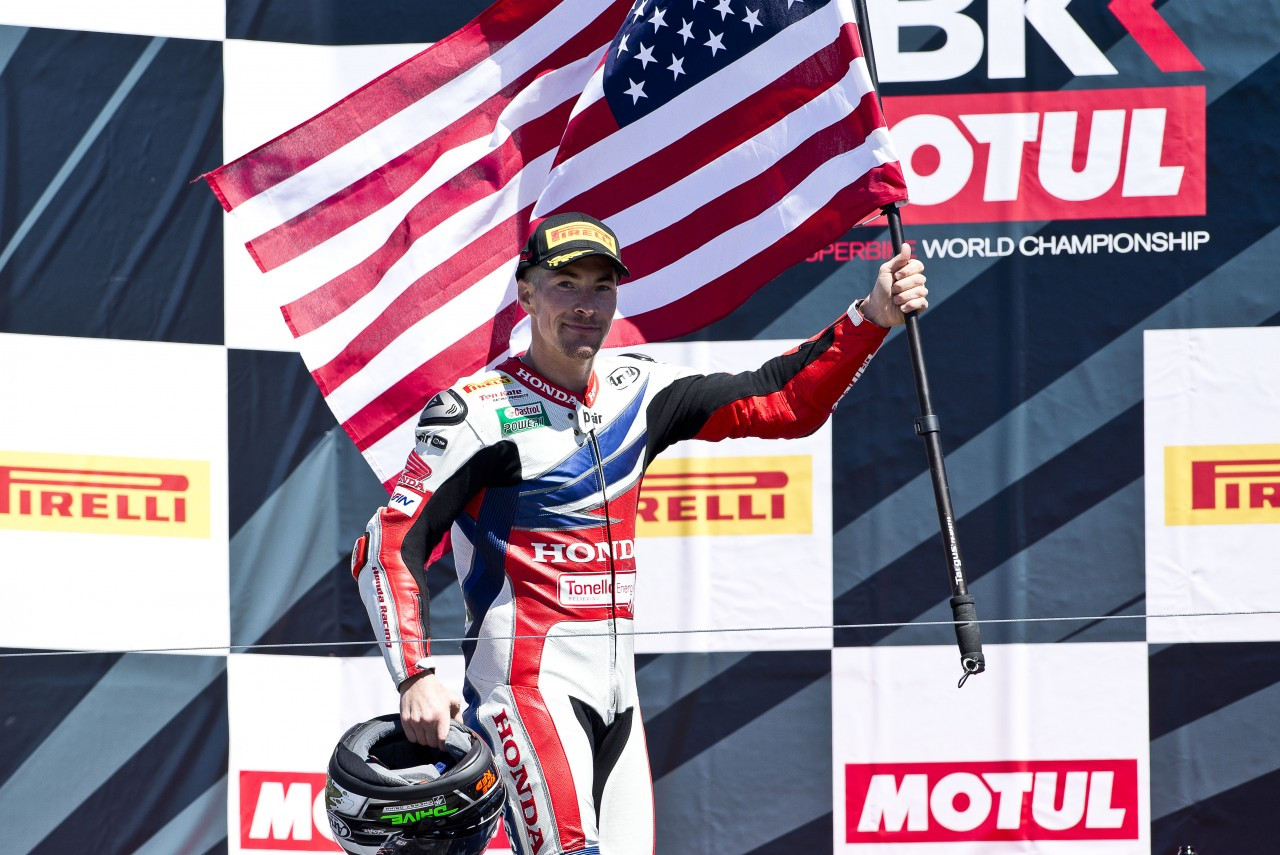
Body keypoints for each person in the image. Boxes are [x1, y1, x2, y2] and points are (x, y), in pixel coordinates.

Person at [350, 212, 928, 855]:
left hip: (618, 695)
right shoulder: (477, 413)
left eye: (601, 287)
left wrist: (870, 317)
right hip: (525, 690)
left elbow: (782, 404)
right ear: (526, 294)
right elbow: (388, 543)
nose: (585, 305)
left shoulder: (639, 390)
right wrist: (413, 676)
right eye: (565, 283)